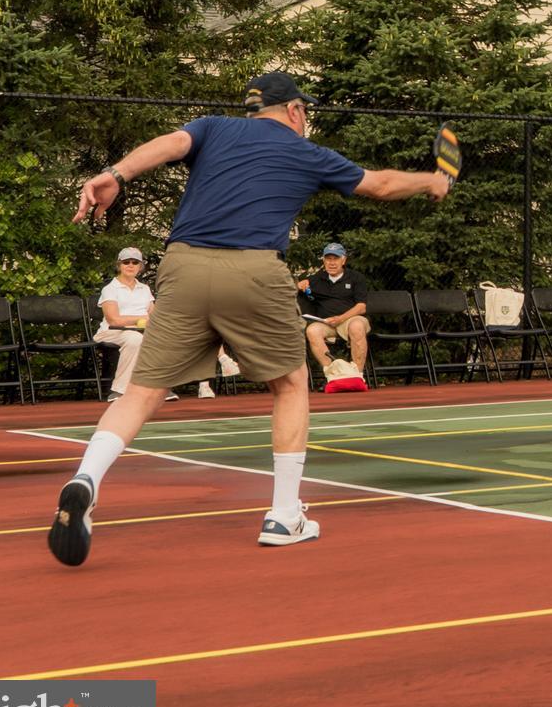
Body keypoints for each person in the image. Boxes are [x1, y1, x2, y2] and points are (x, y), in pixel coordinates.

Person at [48, 71, 451, 567]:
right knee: (291, 384)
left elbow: (171, 143)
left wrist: (116, 173)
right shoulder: (308, 152)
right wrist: (433, 181)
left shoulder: (213, 127)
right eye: (306, 110)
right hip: (256, 270)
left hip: (183, 266)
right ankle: (284, 515)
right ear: (295, 110)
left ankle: (86, 477)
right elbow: (382, 185)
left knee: (141, 393)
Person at [95, 249, 215, 402]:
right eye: (126, 262)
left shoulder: (144, 289)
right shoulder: (110, 289)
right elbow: (113, 320)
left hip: (143, 331)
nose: (130, 265)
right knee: (134, 339)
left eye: (135, 262)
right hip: (111, 332)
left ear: (140, 267)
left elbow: (154, 314)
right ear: (119, 265)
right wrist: (141, 319)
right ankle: (120, 390)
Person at [298, 242, 370, 389]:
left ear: (343, 260)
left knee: (357, 326)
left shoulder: (356, 278)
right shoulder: (316, 279)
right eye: (328, 259)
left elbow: (361, 307)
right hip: (326, 323)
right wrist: (300, 284)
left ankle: (357, 376)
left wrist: (341, 318)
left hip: (350, 320)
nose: (331, 263)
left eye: (335, 259)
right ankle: (333, 375)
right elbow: (294, 289)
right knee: (312, 330)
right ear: (324, 261)